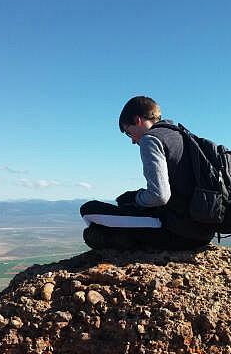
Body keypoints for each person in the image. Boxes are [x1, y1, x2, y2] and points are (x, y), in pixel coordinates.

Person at [80, 96, 215, 250]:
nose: (132, 140)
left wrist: (135, 198)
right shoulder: (180, 135)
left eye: (129, 132)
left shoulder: (150, 139)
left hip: (178, 231)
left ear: (138, 120)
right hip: (202, 231)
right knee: (127, 205)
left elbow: (159, 195)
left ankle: (120, 239)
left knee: (88, 210)